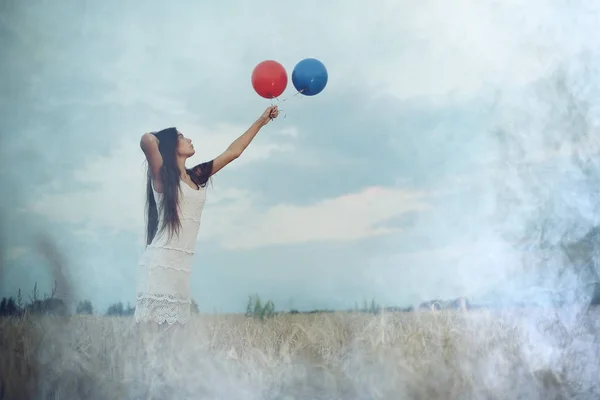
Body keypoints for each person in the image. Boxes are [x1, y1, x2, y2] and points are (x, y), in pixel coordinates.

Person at [134, 105, 279, 326]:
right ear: (172, 146)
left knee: (174, 345)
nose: (189, 139)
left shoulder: (196, 176)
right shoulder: (163, 178)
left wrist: (261, 121)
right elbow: (146, 141)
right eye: (181, 137)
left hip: (181, 269)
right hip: (160, 266)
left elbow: (233, 152)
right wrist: (164, 137)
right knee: (154, 343)